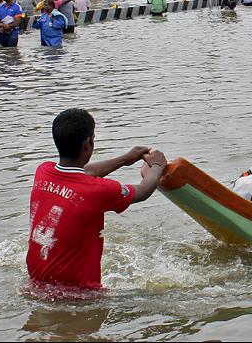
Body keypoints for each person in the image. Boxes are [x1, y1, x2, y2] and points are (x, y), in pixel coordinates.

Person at [26, 108, 169, 290]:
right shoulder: (98, 191)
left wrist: (126, 158)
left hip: (36, 285)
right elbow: (142, 191)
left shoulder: (43, 172)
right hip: (80, 297)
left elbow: (84, 173)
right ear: (88, 143)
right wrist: (157, 165)